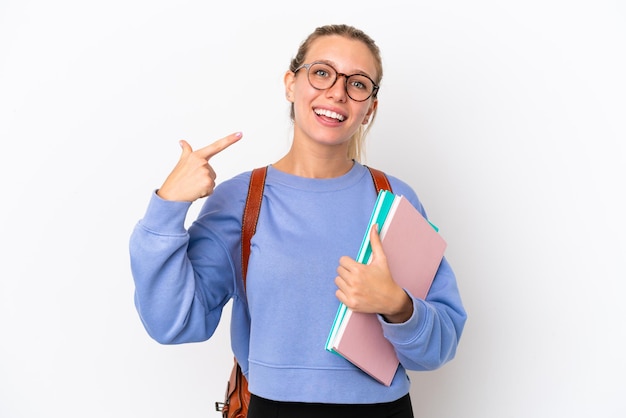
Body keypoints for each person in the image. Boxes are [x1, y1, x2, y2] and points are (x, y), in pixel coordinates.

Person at [129, 24, 467, 418]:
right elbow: (172, 322)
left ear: (369, 107)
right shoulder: (242, 200)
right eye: (322, 73)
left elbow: (440, 345)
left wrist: (397, 305)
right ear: (291, 84)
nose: (337, 92)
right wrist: (167, 206)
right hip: (272, 409)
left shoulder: (392, 197)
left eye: (358, 84)